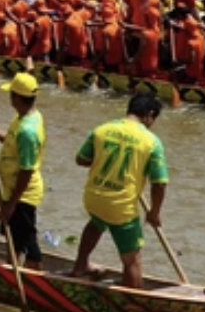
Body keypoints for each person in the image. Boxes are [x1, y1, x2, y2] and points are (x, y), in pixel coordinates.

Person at [70, 92, 168, 289]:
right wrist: (154, 212)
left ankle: (80, 265)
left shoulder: (101, 130)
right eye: (153, 119)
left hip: (93, 198)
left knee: (96, 222)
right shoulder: (152, 142)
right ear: (149, 115)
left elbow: (81, 159)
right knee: (132, 259)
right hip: (120, 206)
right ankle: (132, 298)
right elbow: (159, 183)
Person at [0, 72, 45, 270]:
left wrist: (11, 204)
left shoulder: (28, 131)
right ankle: (12, 269)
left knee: (25, 241)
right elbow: (11, 140)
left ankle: (32, 279)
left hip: (22, 194)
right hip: (13, 190)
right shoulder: (24, 117)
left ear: (16, 97)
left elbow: (27, 170)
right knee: (16, 238)